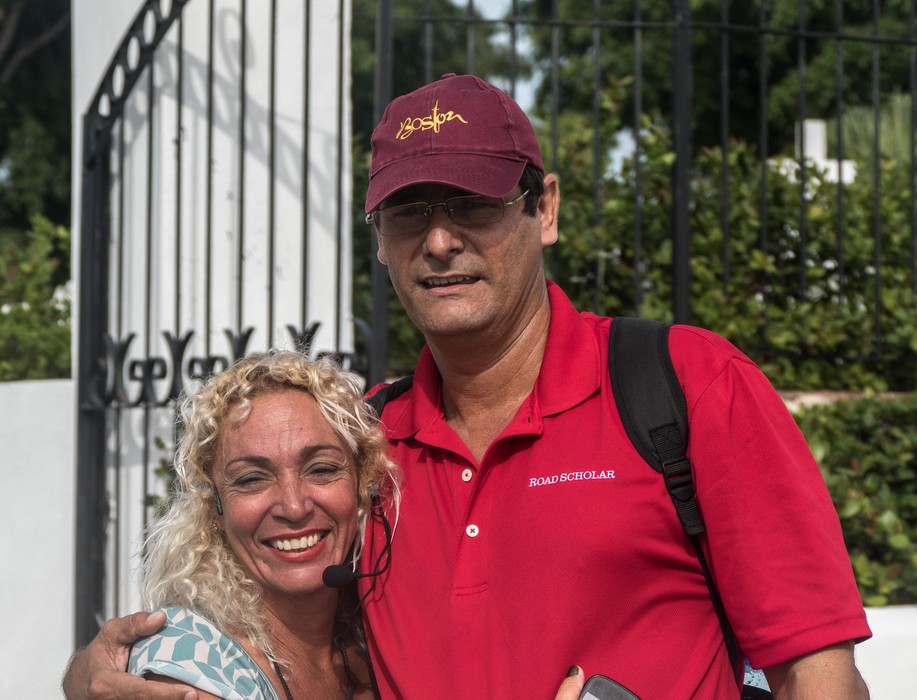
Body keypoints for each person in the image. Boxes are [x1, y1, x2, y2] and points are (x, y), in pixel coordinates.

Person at [64, 74, 872, 699]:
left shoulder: (686, 384)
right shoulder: (361, 444)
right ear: (379, 242)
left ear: (543, 208)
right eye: (408, 214)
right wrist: (91, 674)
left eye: (473, 205)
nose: (440, 241)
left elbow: (816, 672)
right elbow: (283, 645)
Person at [124, 351, 399, 699]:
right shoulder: (190, 663)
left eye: (322, 469)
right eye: (252, 478)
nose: (294, 506)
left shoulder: (375, 642)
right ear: (215, 510)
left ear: (361, 488)